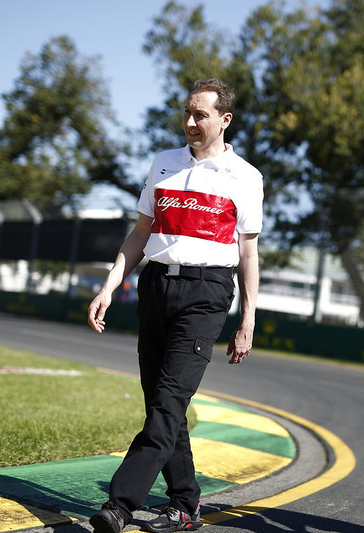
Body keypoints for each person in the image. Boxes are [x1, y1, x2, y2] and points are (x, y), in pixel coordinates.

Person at [86, 78, 263, 533]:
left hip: (207, 294)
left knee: (168, 403)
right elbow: (139, 235)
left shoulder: (246, 177)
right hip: (155, 286)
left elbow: (247, 255)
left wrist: (247, 321)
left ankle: (120, 505)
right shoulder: (162, 164)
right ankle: (185, 504)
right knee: (163, 404)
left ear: (224, 120)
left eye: (200, 114)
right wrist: (109, 286)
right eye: (187, 112)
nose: (190, 122)